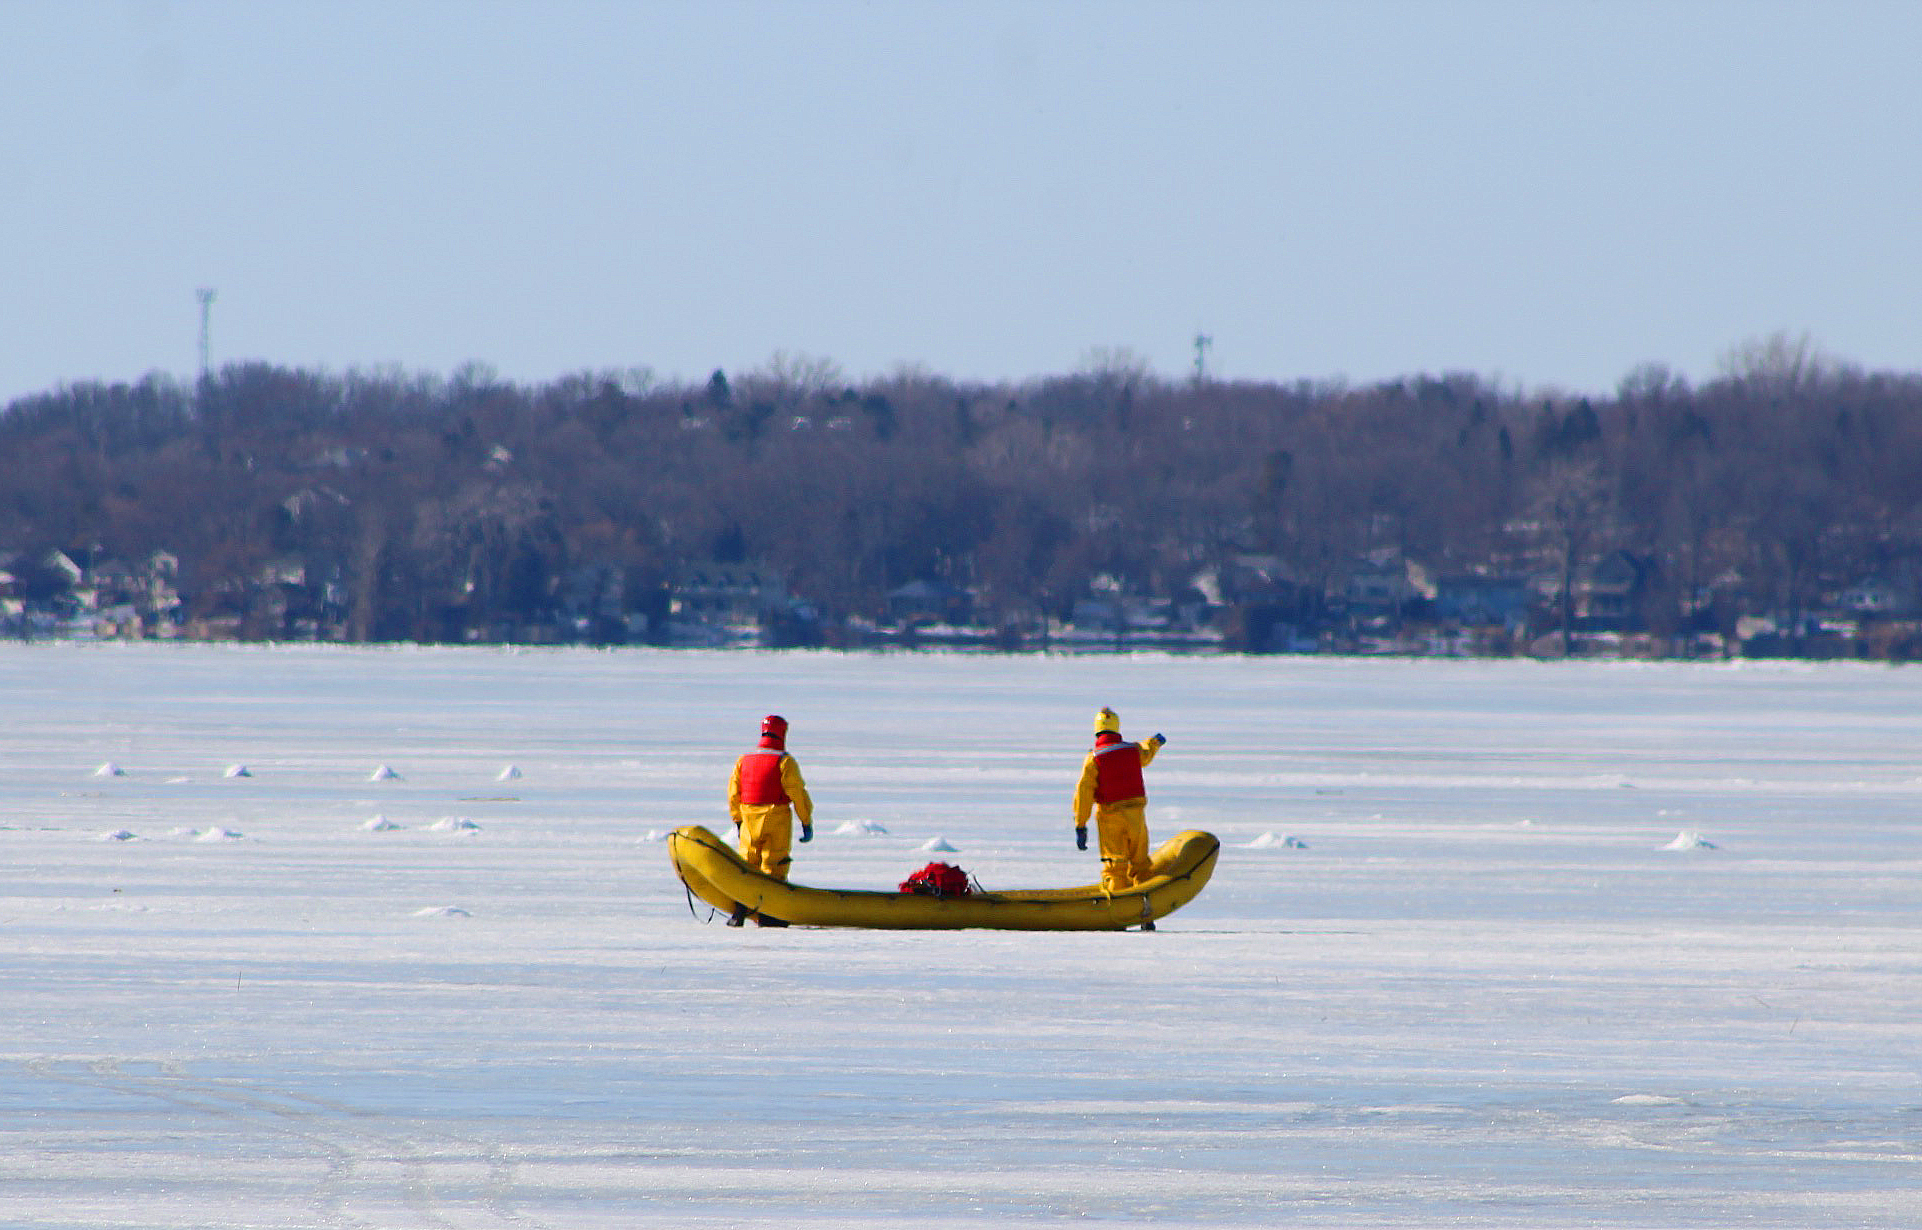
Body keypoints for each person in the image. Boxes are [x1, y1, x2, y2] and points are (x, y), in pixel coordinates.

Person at [1072, 706, 1168, 915]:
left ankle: (1119, 913)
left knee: (1115, 868)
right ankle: (1147, 912)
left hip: (1110, 818)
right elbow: (1146, 753)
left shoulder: (1095, 757)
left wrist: (1081, 825)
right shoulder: (1132, 750)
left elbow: (1084, 794)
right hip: (1136, 817)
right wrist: (1155, 742)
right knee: (1141, 865)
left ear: (1097, 731)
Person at [726, 714, 815, 925]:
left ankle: (740, 910)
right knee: (774, 864)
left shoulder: (744, 761)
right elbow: (798, 794)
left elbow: (733, 793)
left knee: (748, 864)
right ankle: (769, 915)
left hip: (749, 818)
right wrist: (806, 821)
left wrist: (738, 820)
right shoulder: (785, 762)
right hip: (776, 819)